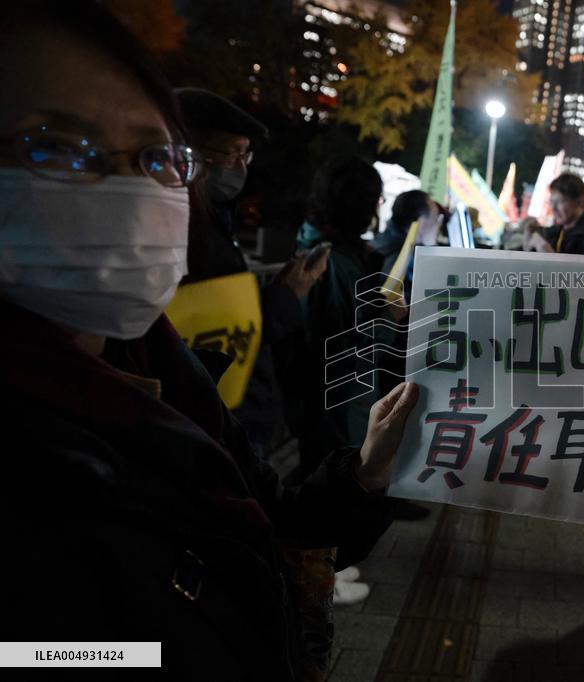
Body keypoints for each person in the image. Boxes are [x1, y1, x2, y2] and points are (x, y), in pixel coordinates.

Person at [0, 3, 416, 679]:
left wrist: (364, 470)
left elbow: (270, 520)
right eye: (54, 147)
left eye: (156, 157)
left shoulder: (163, 368)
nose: (130, 189)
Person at [176, 87, 327, 457]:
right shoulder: (179, 231)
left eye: (246, 154)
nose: (242, 166)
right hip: (210, 427)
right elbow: (212, 333)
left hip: (235, 419)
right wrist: (287, 296)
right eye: (231, 153)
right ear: (188, 156)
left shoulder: (215, 222)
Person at [295, 158, 429, 527]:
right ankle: (326, 568)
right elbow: (346, 340)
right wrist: (392, 316)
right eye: (376, 200)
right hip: (338, 393)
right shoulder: (334, 260)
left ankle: (329, 565)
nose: (378, 208)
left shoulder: (326, 246)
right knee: (335, 472)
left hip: (332, 391)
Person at [541, 173, 584, 256]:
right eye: (552, 202)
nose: (554, 208)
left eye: (560, 201)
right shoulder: (556, 232)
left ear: (580, 203)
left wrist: (543, 249)